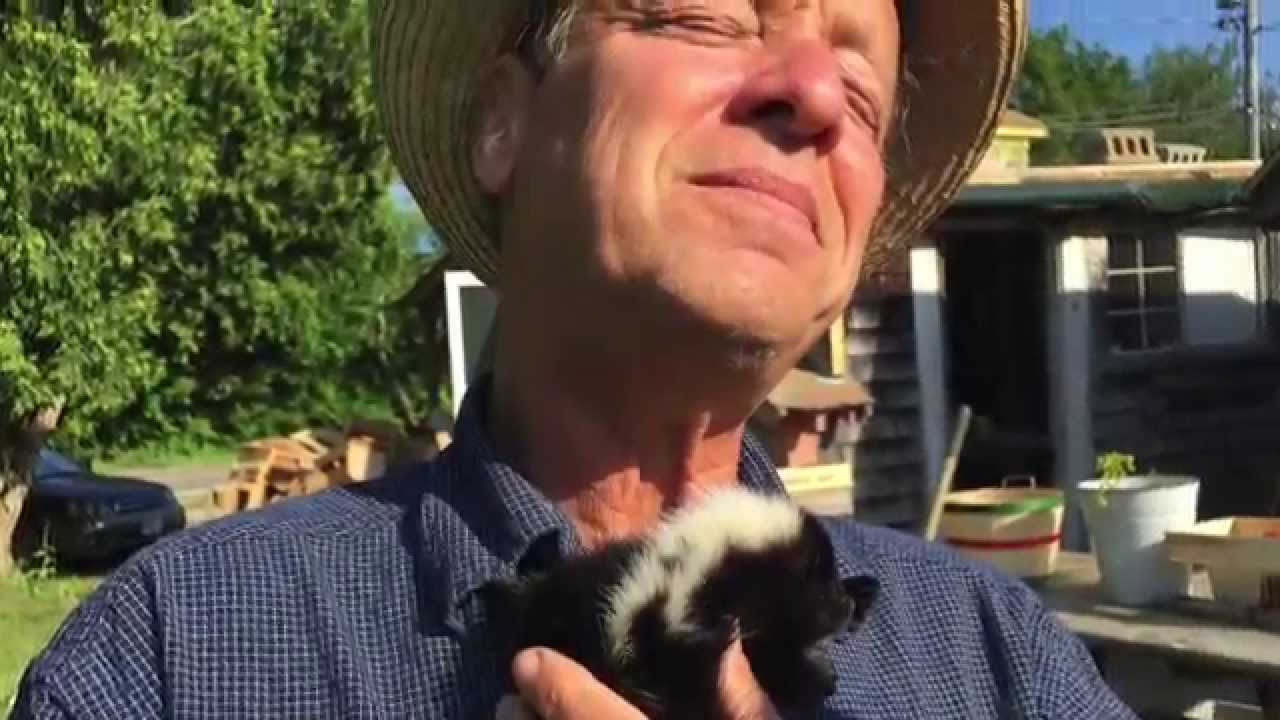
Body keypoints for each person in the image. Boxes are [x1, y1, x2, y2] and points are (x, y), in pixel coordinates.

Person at [12, 0, 1140, 718]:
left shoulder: (1000, 662)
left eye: (860, 88)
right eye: (706, 14)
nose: (809, 97)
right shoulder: (179, 658)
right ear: (502, 121)